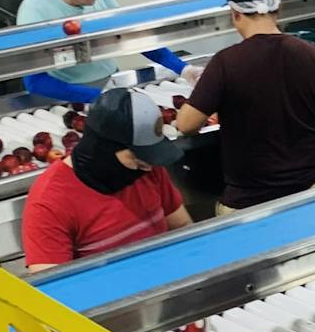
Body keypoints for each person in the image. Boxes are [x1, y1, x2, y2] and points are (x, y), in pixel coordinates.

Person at [170, 0, 315, 214]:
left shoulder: (226, 63)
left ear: (234, 14)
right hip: (310, 192)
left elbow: (186, 124)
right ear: (278, 8)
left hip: (249, 202)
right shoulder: (310, 54)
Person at [20, 86, 191, 271]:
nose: (147, 167)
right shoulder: (49, 202)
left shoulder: (148, 168)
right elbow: (52, 290)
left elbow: (182, 227)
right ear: (104, 151)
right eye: (136, 160)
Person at [17, 0, 131, 103]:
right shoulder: (34, 11)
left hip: (109, 83)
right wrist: (96, 97)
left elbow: (129, 32)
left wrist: (178, 67)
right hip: (66, 96)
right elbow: (35, 82)